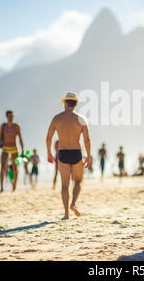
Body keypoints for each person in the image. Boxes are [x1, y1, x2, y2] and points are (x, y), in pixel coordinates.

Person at [46, 92, 91, 220]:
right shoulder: (81, 119)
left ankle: (66, 214)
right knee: (78, 182)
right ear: (75, 104)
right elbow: (87, 140)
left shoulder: (57, 118)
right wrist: (88, 156)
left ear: (65, 103)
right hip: (76, 152)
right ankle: (74, 203)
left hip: (63, 153)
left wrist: (49, 153)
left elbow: (48, 138)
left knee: (64, 185)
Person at [0, 110, 24, 193]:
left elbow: (20, 138)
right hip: (5, 148)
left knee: (15, 168)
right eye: (9, 116)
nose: (11, 118)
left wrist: (22, 149)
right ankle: (1, 187)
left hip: (14, 148)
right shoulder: (3, 126)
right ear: (6, 117)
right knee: (2, 167)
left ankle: (14, 186)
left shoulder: (16, 126)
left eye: (12, 116)